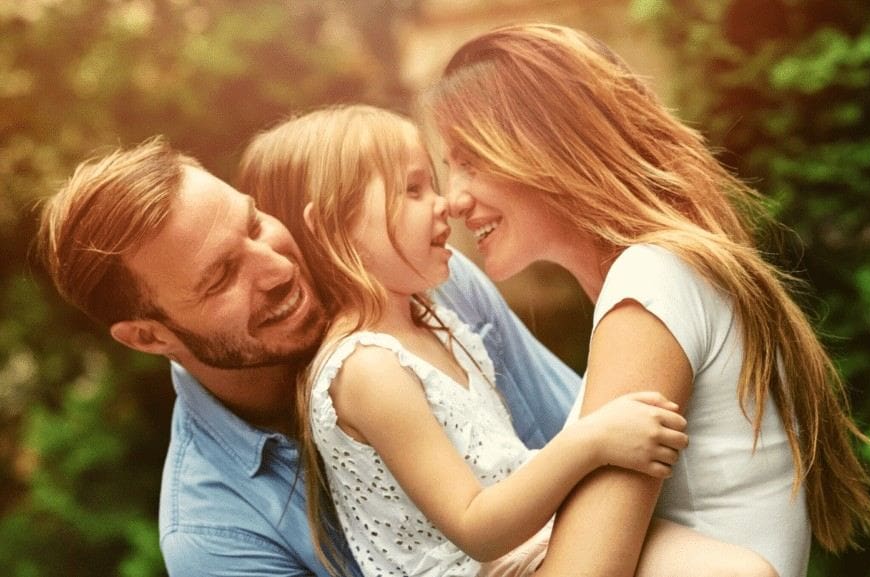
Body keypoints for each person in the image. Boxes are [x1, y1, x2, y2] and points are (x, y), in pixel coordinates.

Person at [420, 22, 870, 577]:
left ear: (548, 144)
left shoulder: (649, 282)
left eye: (471, 160)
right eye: (447, 169)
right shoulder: (676, 271)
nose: (452, 199)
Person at [237, 103, 778, 577]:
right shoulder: (366, 369)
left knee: (745, 569)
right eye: (412, 189)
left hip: (531, 548)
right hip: (493, 565)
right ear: (334, 225)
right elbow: (475, 526)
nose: (445, 203)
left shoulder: (432, 322)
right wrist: (591, 442)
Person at [34, 136, 582, 577]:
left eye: (253, 224)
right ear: (148, 337)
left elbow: (591, 426)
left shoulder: (414, 287)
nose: (276, 268)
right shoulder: (218, 539)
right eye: (222, 276)